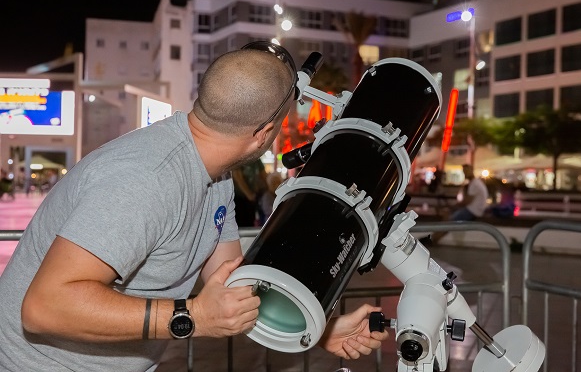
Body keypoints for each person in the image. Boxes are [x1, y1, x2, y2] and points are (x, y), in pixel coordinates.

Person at [0, 42, 387, 371]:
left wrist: (321, 328)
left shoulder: (214, 175)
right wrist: (193, 317)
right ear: (264, 134)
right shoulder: (147, 178)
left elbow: (235, 285)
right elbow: (43, 308)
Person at [429, 164, 489, 245]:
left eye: (466, 171)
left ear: (471, 171)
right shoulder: (475, 183)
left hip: (472, 211)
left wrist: (453, 207)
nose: (465, 174)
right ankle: (434, 238)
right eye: (464, 172)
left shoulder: (474, 184)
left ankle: (434, 239)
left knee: (450, 220)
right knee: (447, 215)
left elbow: (467, 202)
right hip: (473, 209)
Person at [232, 158, 268, 227]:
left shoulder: (257, 159)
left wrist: (270, 188)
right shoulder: (239, 158)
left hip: (252, 196)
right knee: (241, 222)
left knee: (250, 221)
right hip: (238, 197)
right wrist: (249, 194)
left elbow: (263, 175)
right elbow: (237, 177)